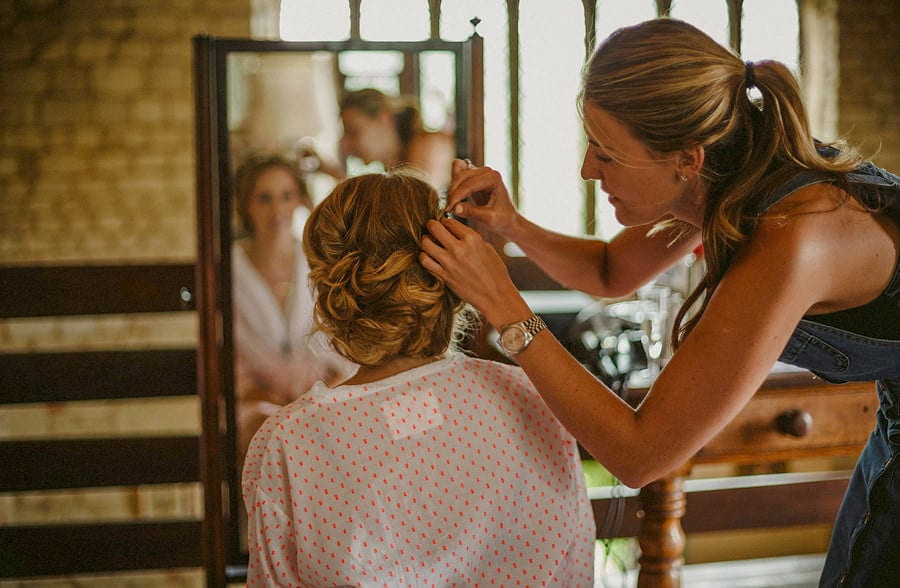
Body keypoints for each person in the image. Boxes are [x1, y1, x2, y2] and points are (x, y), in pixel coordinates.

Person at [421, 18, 900, 588]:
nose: (586, 169)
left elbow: (641, 453)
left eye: (607, 153)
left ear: (685, 159)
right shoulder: (730, 170)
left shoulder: (792, 236)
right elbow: (609, 269)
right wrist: (514, 226)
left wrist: (502, 302)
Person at [241, 170, 596, 587]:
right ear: (451, 273)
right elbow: (577, 570)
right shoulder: (538, 399)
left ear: (326, 286)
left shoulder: (294, 442)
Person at [232, 153, 356, 461]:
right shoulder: (230, 271)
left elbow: (341, 343)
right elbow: (231, 358)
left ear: (300, 200)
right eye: (264, 198)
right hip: (256, 400)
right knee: (269, 437)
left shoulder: (318, 261)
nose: (276, 209)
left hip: (325, 392)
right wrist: (276, 403)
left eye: (286, 196)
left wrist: (321, 396)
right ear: (246, 204)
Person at [303, 87, 456, 190]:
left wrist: (335, 174)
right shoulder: (392, 168)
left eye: (353, 131)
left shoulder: (428, 146)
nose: (346, 144)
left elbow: (405, 210)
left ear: (384, 118)